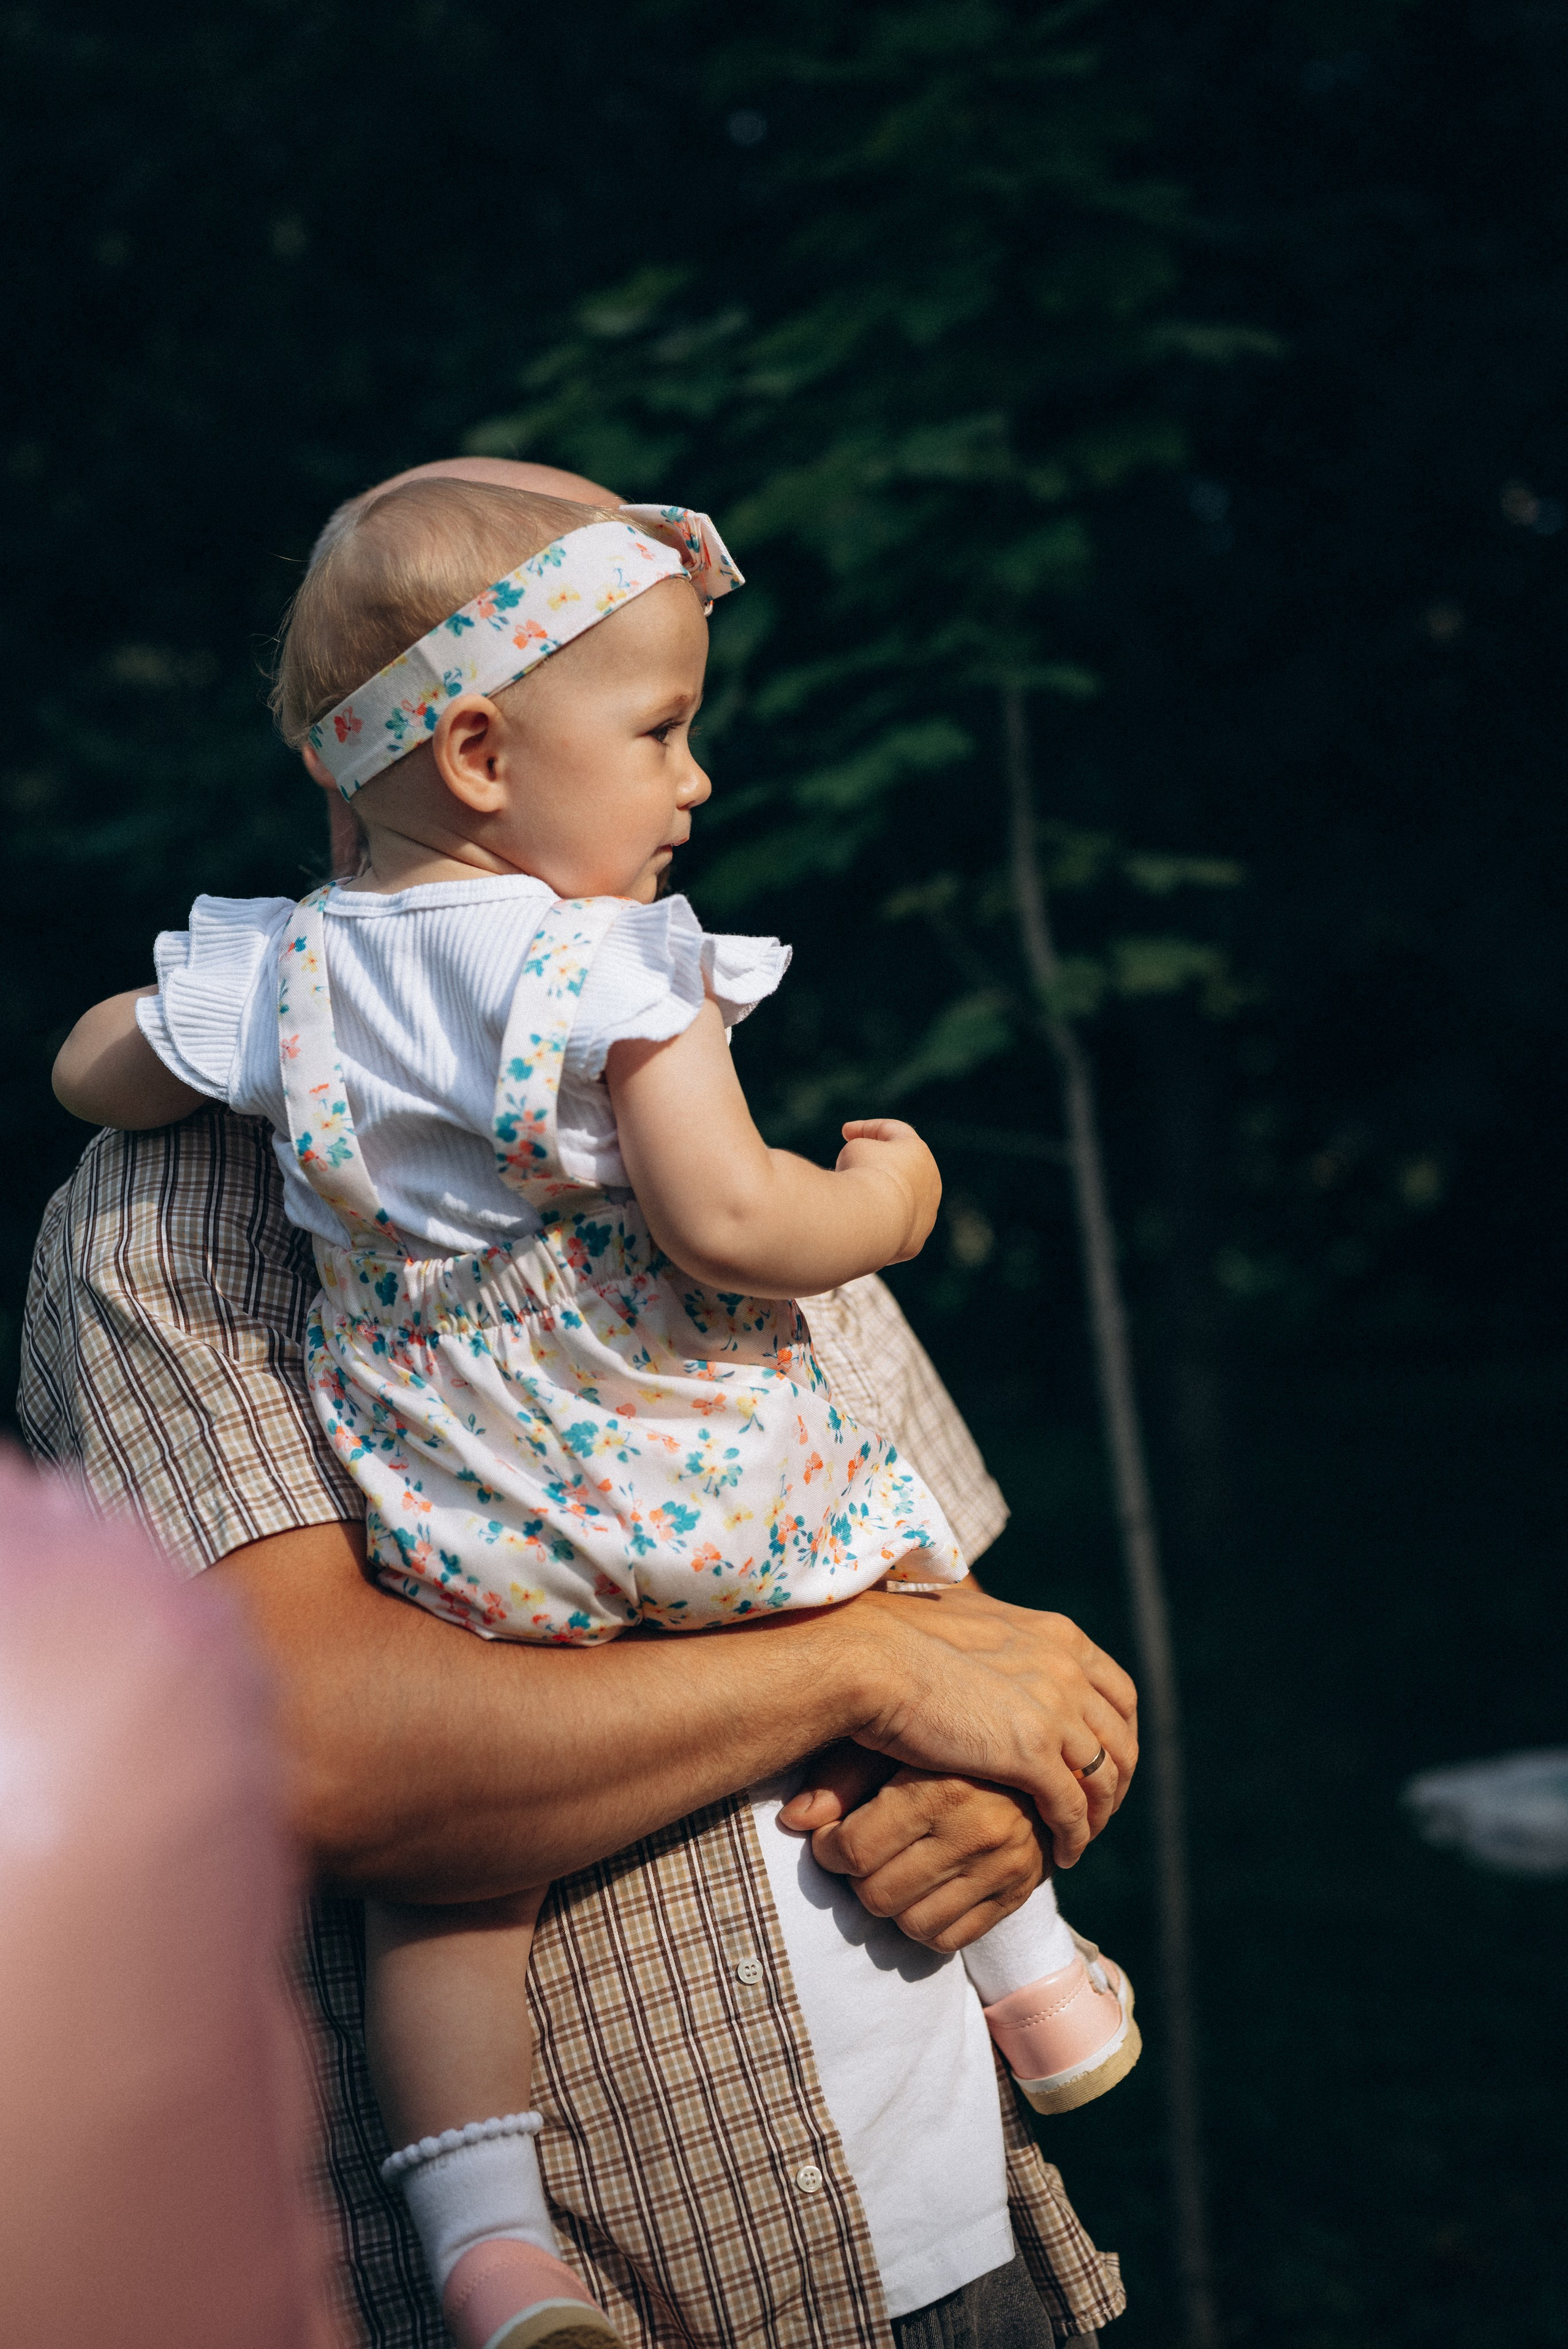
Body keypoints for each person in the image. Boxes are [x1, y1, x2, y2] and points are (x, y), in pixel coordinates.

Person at [23, 455, 1134, 2349]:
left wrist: (1023, 1795)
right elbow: (337, 1757)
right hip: (663, 2265)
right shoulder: (178, 1215)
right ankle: (495, 2244)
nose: (700, 777)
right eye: (665, 726)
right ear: (478, 752)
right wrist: (864, 1673)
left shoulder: (604, 1066)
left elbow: (946, 1603)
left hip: (955, 2224)